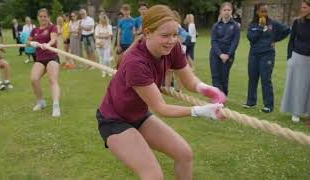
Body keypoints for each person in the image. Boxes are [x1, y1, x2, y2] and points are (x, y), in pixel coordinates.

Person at [96, 5, 226, 179]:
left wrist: (207, 89)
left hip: (139, 115)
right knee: (153, 175)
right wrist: (199, 111)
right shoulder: (135, 62)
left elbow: (188, 80)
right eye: (165, 36)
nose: (171, 40)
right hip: (114, 120)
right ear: (147, 33)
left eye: (174, 34)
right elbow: (161, 108)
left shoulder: (172, 47)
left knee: (184, 153)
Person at [242, 2, 290, 113]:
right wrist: (260, 27)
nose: (264, 13)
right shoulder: (252, 25)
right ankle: (251, 102)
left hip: (267, 54)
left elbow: (287, 30)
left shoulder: (272, 24)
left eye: (266, 11)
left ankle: (268, 105)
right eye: (262, 11)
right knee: (253, 78)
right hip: (254, 55)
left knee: (265, 79)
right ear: (257, 12)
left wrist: (275, 39)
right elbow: (251, 38)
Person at [27, 8, 61, 117]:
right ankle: (41, 102)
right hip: (40, 59)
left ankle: (56, 106)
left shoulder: (52, 27)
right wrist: (33, 43)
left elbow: (53, 39)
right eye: (41, 16)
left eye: (45, 16)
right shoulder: (35, 30)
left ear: (48, 17)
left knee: (52, 80)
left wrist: (48, 44)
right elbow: (27, 42)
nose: (43, 18)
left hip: (52, 57)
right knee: (34, 79)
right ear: (38, 18)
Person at [281, 0, 310, 123]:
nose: (302, 9)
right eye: (301, 7)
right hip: (297, 57)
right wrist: (290, 57)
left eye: (304, 7)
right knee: (297, 87)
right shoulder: (297, 22)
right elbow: (291, 40)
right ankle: (295, 113)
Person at [209, 2, 240, 96]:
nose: (227, 12)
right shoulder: (216, 25)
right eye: (224, 10)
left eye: (229, 10)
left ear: (232, 11)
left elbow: (235, 42)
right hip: (215, 54)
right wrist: (220, 54)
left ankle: (223, 95)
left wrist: (228, 54)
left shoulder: (235, 26)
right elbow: (213, 41)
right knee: (215, 76)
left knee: (224, 76)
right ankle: (218, 98)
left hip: (228, 55)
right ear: (221, 12)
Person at [95, 13, 112, 77]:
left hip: (107, 45)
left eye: (102, 19)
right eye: (100, 19)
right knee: (101, 59)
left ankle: (109, 70)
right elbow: (96, 35)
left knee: (106, 59)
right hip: (99, 45)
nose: (101, 21)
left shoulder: (109, 26)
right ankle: (104, 72)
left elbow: (109, 35)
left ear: (105, 19)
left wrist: (101, 36)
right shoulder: (97, 27)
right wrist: (105, 36)